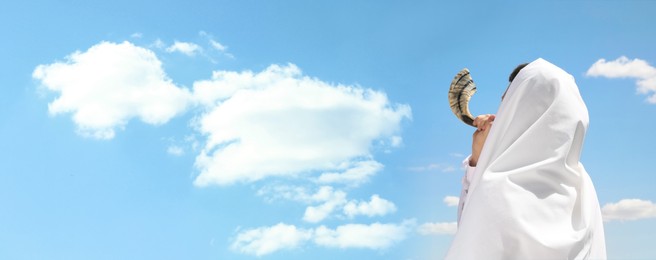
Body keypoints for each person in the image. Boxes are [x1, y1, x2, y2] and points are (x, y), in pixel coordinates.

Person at [446, 58, 607, 259]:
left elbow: (469, 241)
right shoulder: (583, 189)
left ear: (521, 110)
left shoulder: (499, 188)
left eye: (507, 104)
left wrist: (479, 163)